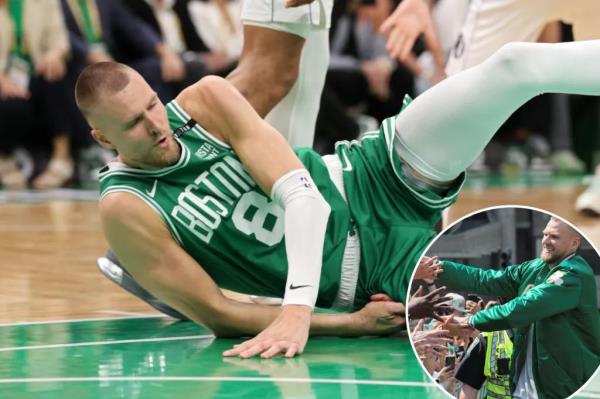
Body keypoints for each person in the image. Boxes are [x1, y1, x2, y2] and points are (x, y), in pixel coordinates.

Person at [76, 39, 600, 359]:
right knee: (526, 325)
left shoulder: (206, 100)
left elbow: (304, 197)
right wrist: (346, 324)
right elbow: (217, 312)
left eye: (152, 104)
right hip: (376, 270)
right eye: (135, 124)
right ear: (104, 139)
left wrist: (298, 310)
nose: (156, 124)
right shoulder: (126, 207)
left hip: (377, 173)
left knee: (513, 66)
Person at [436, 217, 600, 399]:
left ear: (574, 243)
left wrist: (472, 320)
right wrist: (437, 268)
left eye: (554, 236)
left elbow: (525, 306)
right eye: (545, 234)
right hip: (524, 387)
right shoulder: (535, 267)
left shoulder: (573, 274)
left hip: (561, 387)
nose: (545, 241)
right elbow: (485, 279)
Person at [0, 0, 72, 189]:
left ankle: (62, 157)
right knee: (10, 104)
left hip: (34, 72)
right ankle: (4, 157)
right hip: (4, 78)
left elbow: (60, 39)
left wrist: (54, 54)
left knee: (56, 78)